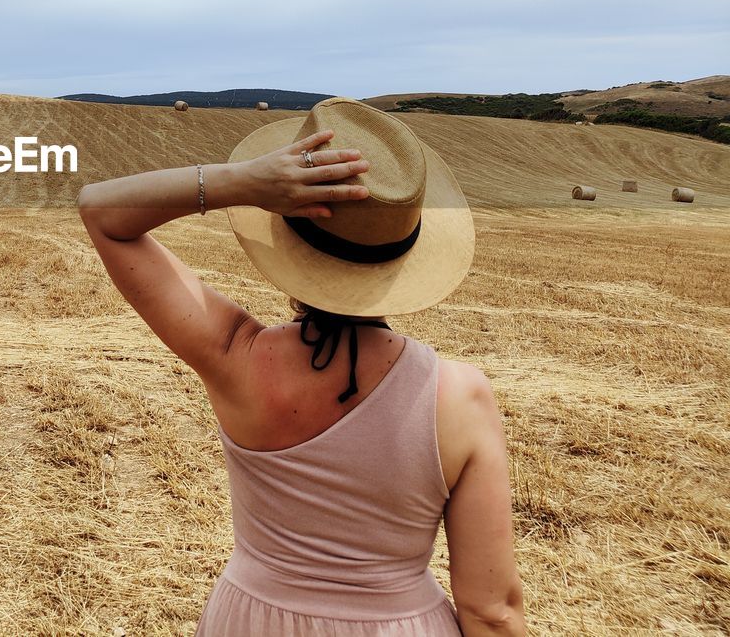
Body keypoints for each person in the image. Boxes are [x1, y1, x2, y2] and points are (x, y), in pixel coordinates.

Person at [78, 98, 525, 636]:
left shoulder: (233, 355)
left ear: (285, 225)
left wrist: (242, 182)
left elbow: (102, 211)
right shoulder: (458, 396)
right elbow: (492, 611)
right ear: (406, 251)